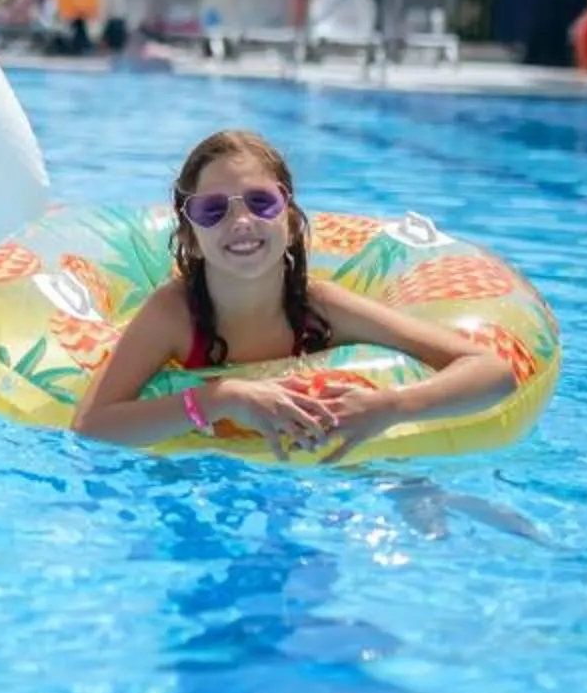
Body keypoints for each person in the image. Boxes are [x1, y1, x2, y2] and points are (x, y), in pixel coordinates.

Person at [69, 128, 514, 459]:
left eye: (261, 203)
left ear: (292, 219)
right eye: (213, 209)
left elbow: (491, 371)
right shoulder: (175, 314)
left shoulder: (318, 309)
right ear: (189, 236)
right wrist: (222, 398)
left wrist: (391, 406)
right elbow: (90, 427)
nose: (241, 221)